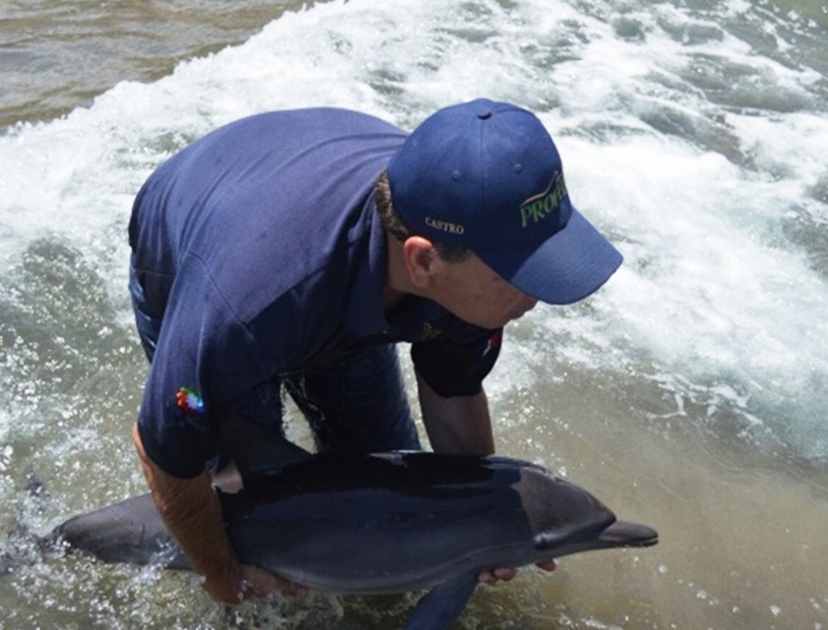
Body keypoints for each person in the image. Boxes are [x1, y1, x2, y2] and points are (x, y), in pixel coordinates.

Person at [127, 98, 623, 603]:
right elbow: (162, 451)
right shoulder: (243, 312)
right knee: (248, 508)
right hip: (200, 258)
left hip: (324, 258)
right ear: (423, 262)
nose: (534, 296)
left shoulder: (463, 233)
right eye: (519, 275)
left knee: (391, 491)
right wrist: (223, 574)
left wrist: (489, 523)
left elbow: (453, 389)